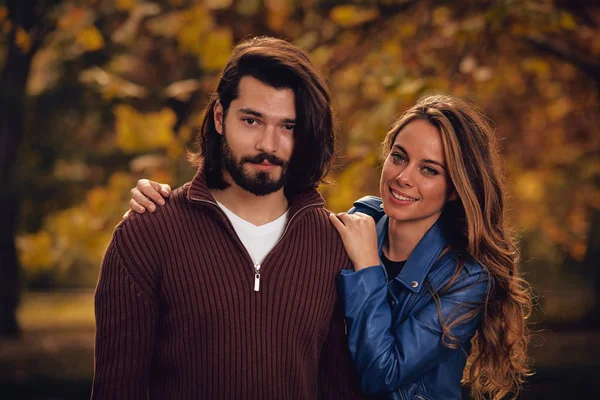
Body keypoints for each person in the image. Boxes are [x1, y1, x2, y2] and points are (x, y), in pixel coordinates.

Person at [130, 95, 532, 399]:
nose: (403, 177)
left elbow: (384, 375)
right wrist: (169, 205)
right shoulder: (353, 223)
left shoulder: (465, 277)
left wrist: (368, 268)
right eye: (399, 157)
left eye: (429, 170)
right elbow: (258, 222)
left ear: (455, 190)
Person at [92, 36, 365, 400]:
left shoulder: (333, 244)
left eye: (288, 127)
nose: (269, 144)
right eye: (252, 120)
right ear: (220, 116)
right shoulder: (147, 234)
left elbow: (338, 390)